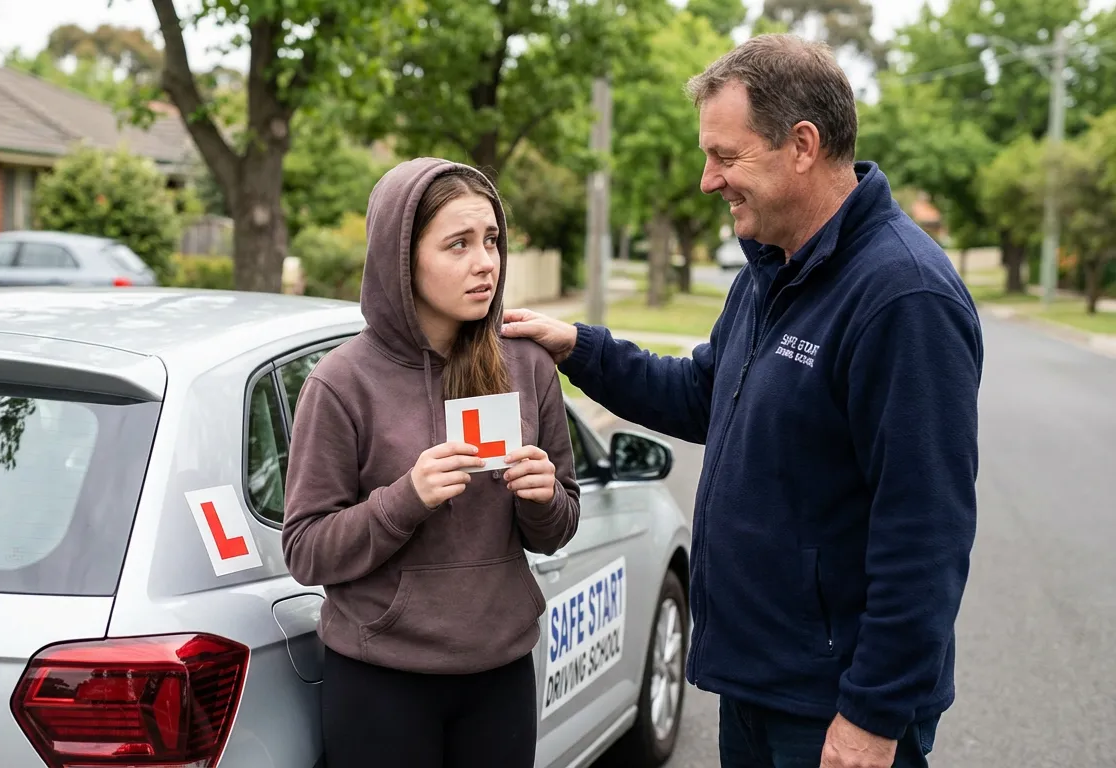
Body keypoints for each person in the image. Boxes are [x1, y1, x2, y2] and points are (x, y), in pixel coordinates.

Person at [502, 34, 982, 768]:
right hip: (758, 686)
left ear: (802, 145)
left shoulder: (902, 295)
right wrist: (579, 348)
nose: (707, 180)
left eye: (725, 157)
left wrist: (873, 716)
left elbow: (926, 531)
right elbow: (705, 393)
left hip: (833, 711)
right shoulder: (772, 268)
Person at [281, 157, 582, 768]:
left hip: (499, 671)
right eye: (458, 245)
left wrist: (545, 498)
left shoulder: (526, 366)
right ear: (403, 259)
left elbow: (559, 528)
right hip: (381, 679)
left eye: (492, 240)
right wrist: (404, 499)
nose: (485, 262)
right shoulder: (341, 383)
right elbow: (306, 549)